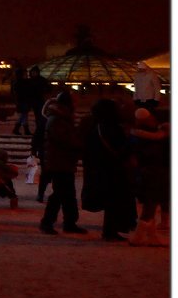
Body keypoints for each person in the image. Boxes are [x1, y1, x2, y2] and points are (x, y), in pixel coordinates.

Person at [81, 99, 136, 242]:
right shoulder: (112, 127)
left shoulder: (94, 126)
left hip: (100, 169)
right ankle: (110, 231)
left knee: (110, 201)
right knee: (114, 200)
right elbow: (121, 148)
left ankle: (110, 230)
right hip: (113, 169)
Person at [39, 94, 86, 236]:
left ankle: (70, 222)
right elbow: (65, 140)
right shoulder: (57, 119)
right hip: (58, 162)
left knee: (68, 194)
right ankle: (47, 222)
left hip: (64, 161)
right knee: (59, 194)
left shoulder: (63, 118)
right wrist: (79, 143)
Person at [128, 107, 170, 246]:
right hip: (153, 173)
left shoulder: (137, 135)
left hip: (148, 172)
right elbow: (153, 154)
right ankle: (138, 237)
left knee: (150, 203)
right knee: (150, 204)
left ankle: (151, 236)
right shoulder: (154, 136)